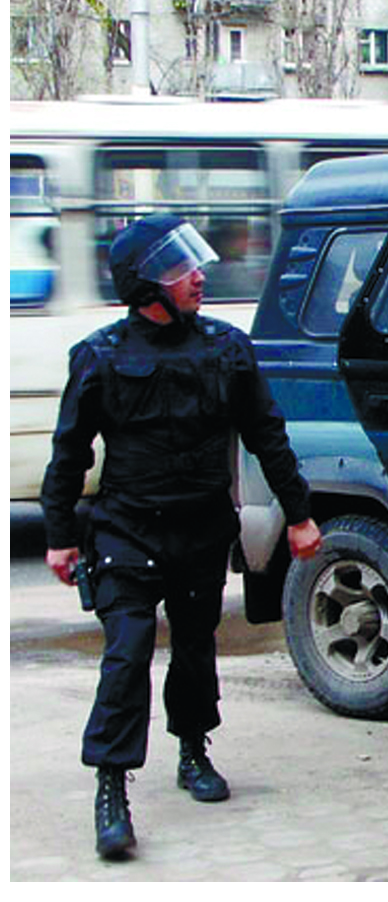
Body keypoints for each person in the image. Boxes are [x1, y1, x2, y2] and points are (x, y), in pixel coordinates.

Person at [40, 214, 323, 860]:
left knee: (195, 650)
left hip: (199, 531)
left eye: (193, 265)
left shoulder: (226, 348)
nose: (198, 277)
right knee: (129, 652)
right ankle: (111, 786)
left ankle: (193, 750)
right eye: (179, 269)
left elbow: (266, 435)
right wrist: (59, 535)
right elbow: (68, 454)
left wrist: (300, 515)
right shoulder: (100, 356)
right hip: (125, 531)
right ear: (144, 286)